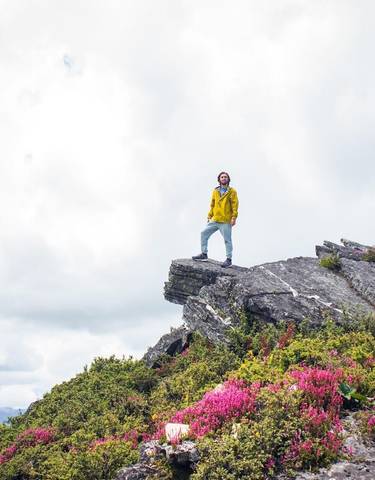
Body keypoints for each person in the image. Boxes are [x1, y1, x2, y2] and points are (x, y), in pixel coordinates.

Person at [192, 171, 239, 268]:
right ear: (219, 179)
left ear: (228, 179)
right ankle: (204, 254)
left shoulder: (232, 191)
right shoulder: (215, 191)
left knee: (227, 240)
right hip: (215, 219)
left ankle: (229, 259)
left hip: (225, 220)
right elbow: (212, 204)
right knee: (204, 233)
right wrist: (209, 216)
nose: (224, 178)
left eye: (225, 177)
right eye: (222, 177)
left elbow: (235, 205)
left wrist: (234, 217)